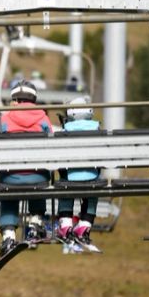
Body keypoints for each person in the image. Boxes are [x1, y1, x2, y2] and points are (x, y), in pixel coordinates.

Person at [0, 80, 54, 257]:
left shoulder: (3, 120)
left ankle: (8, 235)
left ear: (15, 99)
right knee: (38, 182)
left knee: (8, 193)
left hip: (11, 177)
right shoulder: (44, 119)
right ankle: (35, 222)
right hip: (38, 176)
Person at [56, 96, 101, 252]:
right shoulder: (97, 129)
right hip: (92, 176)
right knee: (92, 194)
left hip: (69, 177)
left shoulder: (65, 131)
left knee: (65, 189)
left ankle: (65, 224)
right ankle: (84, 226)